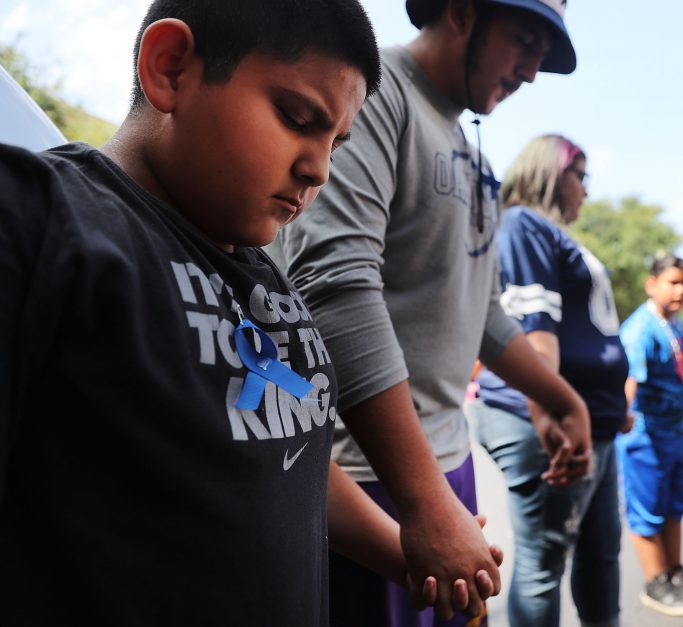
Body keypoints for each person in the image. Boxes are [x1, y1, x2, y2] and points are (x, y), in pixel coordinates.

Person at [0, 1, 500, 623]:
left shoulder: (262, 273)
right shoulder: (42, 220)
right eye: (296, 118)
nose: (317, 169)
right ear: (170, 67)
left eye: (336, 143)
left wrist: (405, 552)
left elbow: (286, 452)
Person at [268, 1, 592, 625]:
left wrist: (560, 399)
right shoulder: (373, 95)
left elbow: (483, 313)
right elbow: (335, 285)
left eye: (542, 58)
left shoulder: (477, 154)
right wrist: (423, 503)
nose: (529, 73)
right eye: (523, 41)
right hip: (367, 473)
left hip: (446, 466)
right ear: (463, 13)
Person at [467, 135, 627, 627]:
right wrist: (550, 410)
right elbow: (533, 334)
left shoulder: (554, 233)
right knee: (544, 563)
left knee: (601, 553)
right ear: (553, 174)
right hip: (544, 419)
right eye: (581, 175)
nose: (586, 190)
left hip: (590, 421)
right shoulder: (523, 225)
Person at [617, 254, 683, 616]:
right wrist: (621, 417)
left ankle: (675, 574)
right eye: (673, 282)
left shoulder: (675, 326)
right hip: (644, 435)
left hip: (674, 433)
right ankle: (656, 583)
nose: (680, 290)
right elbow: (629, 378)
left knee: (673, 506)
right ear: (652, 284)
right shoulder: (641, 329)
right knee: (647, 509)